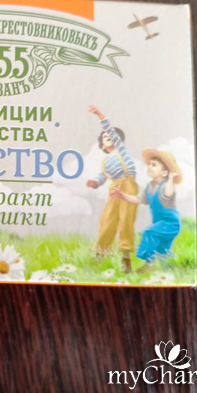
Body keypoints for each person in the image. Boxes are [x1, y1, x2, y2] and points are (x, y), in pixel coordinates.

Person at [111, 149, 182, 274]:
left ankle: (149, 265)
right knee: (162, 251)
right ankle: (170, 267)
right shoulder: (150, 186)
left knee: (149, 233)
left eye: (154, 165)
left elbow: (168, 193)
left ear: (164, 173)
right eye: (149, 164)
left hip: (170, 223)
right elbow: (138, 200)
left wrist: (171, 179)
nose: (149, 166)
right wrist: (122, 195)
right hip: (160, 224)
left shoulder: (166, 186)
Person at [86, 106, 138, 273]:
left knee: (126, 219)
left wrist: (99, 114)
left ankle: (126, 257)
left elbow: (109, 129)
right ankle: (101, 252)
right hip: (114, 187)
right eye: (104, 137)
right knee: (108, 218)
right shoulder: (106, 161)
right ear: (102, 144)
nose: (107, 137)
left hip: (127, 184)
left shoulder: (121, 151)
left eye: (110, 136)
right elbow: (102, 176)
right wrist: (94, 182)